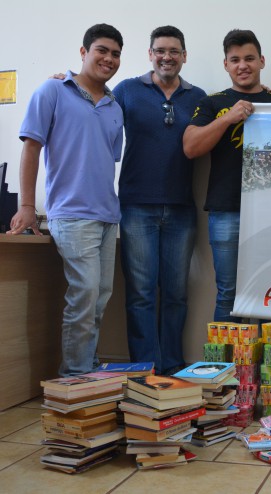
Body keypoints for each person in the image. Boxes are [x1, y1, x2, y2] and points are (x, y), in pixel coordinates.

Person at [8, 24, 124, 376]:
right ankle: (73, 380)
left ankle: (88, 371)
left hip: (108, 216)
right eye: (102, 50)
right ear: (84, 52)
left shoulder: (115, 106)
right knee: (84, 296)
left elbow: (104, 159)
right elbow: (31, 148)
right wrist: (27, 206)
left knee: (98, 300)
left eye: (116, 54)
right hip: (72, 216)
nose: (109, 58)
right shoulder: (53, 90)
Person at [113, 26, 206, 375]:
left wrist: (263, 97)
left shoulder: (198, 97)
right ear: (150, 54)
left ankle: (171, 368)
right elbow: (93, 108)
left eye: (174, 51)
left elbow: (224, 119)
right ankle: (144, 369)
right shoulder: (126, 90)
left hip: (181, 208)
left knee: (176, 294)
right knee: (141, 294)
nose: (167, 57)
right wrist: (67, 82)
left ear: (184, 56)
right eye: (160, 50)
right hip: (136, 206)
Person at [183, 29, 271, 323]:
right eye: (235, 60)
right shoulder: (212, 103)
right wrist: (228, 118)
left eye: (249, 58)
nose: (243, 65)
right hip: (227, 210)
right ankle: (227, 356)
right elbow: (190, 147)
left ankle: (268, 355)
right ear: (226, 65)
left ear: (262, 61)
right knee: (228, 295)